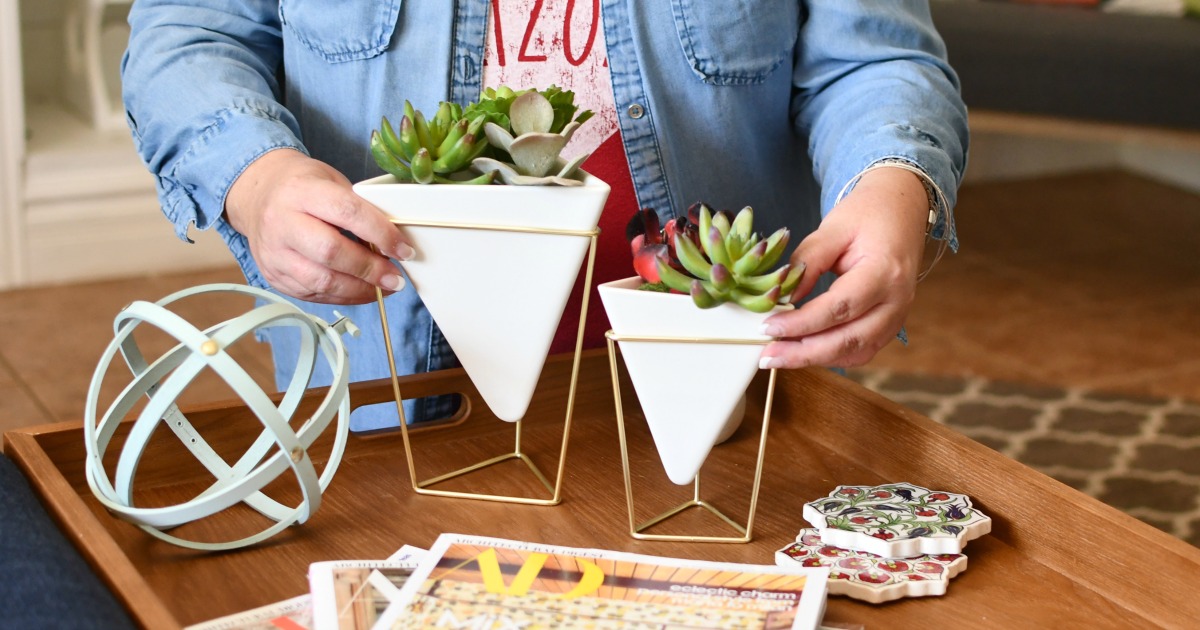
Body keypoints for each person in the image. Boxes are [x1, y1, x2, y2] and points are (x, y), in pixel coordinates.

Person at [122, 0, 968, 431]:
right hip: (387, 394)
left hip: (739, 387)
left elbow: (874, 55)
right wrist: (256, 177)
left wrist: (893, 183)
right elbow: (190, 34)